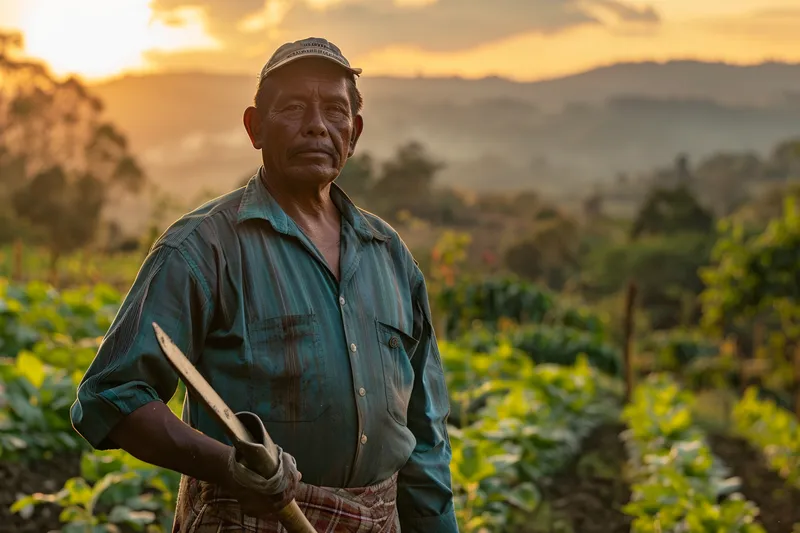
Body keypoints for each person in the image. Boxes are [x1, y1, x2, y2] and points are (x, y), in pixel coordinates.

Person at [69, 37, 459, 532]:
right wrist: (225, 465)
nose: (316, 125)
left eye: (335, 110)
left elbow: (424, 431)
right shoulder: (201, 248)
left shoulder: (390, 256)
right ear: (255, 128)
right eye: (293, 107)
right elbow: (112, 395)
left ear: (354, 133)